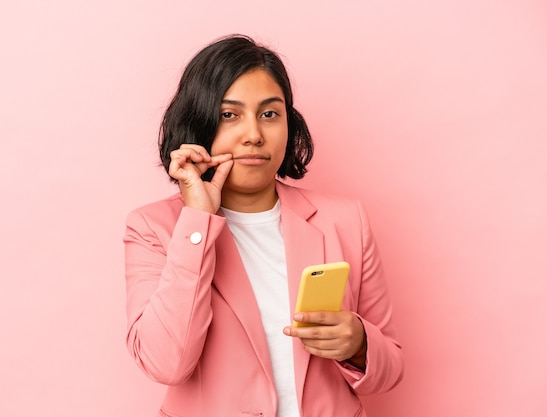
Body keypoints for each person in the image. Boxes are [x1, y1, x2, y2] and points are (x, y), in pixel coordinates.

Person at [123, 34, 403, 417]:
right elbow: (165, 363)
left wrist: (359, 344)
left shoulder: (345, 220)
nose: (253, 135)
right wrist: (197, 221)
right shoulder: (152, 227)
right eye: (229, 114)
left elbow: (391, 367)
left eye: (270, 114)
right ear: (198, 123)